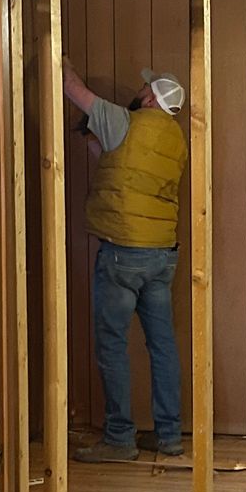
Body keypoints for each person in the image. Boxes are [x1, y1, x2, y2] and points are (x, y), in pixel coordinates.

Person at [61, 60, 188, 461]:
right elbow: (118, 166)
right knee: (162, 345)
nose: (139, 91)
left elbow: (71, 88)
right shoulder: (176, 138)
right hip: (161, 255)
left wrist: (59, 55)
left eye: (145, 89)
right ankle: (169, 436)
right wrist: (89, 139)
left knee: (113, 344)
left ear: (150, 98)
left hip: (122, 253)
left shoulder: (122, 119)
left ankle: (119, 438)